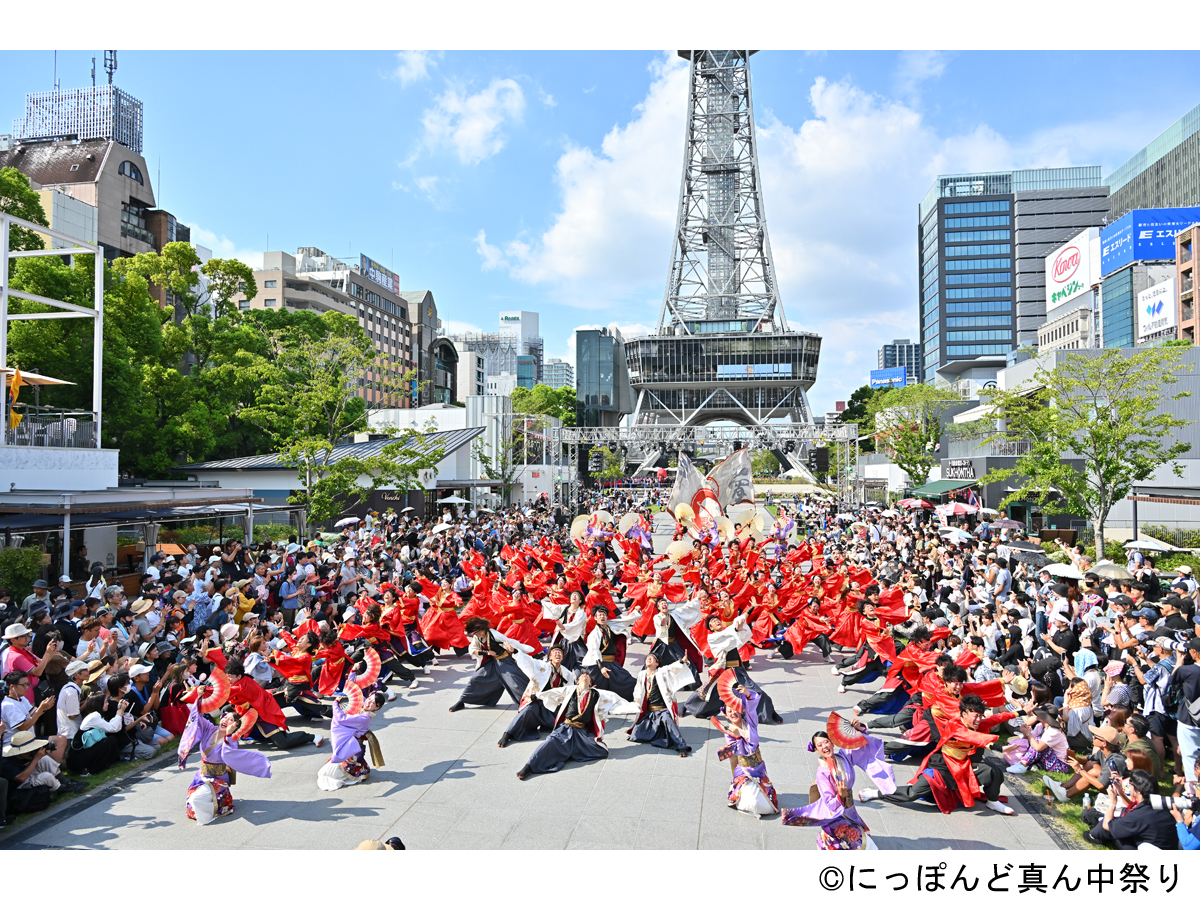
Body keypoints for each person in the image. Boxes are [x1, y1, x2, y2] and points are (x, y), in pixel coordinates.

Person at [866, 694, 1015, 815]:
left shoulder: (974, 722)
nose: (978, 720)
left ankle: (993, 801)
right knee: (913, 793)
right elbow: (974, 737)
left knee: (993, 771)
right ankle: (876, 793)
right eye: (975, 716)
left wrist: (1019, 712)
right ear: (964, 714)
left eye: (980, 716)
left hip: (962, 766)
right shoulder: (955, 726)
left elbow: (995, 718)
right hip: (941, 767)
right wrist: (999, 748)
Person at [780, 719, 895, 849]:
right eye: (819, 745)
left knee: (862, 838)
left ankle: (827, 838)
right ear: (817, 751)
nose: (824, 746)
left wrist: (858, 730)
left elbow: (860, 745)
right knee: (862, 845)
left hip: (850, 810)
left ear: (832, 743)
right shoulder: (822, 773)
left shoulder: (844, 756)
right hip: (835, 815)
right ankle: (828, 837)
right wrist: (840, 795)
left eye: (826, 741)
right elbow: (829, 803)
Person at [515, 671, 634, 779]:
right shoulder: (571, 690)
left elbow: (615, 698)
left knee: (602, 751)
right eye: (582, 675)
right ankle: (529, 766)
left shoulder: (597, 694)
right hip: (566, 728)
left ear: (592, 684)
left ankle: (569, 751)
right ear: (578, 681)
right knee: (549, 742)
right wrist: (536, 696)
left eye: (588, 676)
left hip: (581, 732)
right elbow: (554, 692)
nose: (585, 675)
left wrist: (633, 706)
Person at [177, 692, 273, 825]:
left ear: (235, 727)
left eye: (231, 720)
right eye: (225, 717)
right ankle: (212, 806)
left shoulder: (231, 742)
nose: (226, 721)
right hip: (202, 775)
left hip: (218, 779)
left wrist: (228, 735)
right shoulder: (209, 729)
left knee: (197, 800)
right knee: (192, 800)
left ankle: (210, 816)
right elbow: (196, 717)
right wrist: (199, 697)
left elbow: (227, 755)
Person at [712, 671, 778, 817]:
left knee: (766, 806)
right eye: (729, 711)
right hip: (745, 771)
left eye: (735, 709)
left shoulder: (750, 722)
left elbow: (752, 707)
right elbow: (740, 752)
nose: (733, 712)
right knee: (752, 802)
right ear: (725, 715)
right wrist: (737, 738)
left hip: (759, 769)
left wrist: (748, 694)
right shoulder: (729, 732)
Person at [449, 617, 533, 712]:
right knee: (475, 679)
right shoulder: (477, 636)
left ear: (483, 628)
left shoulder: (495, 635)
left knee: (516, 683)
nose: (477, 634)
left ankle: (529, 703)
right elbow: (472, 649)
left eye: (479, 632)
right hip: (492, 662)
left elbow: (513, 643)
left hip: (506, 662)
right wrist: (486, 653)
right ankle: (461, 701)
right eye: (475, 633)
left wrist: (518, 650)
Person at [317, 684, 388, 791]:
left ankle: (354, 773)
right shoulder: (364, 707)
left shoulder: (364, 717)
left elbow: (341, 719)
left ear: (377, 707)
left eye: (372, 702)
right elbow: (355, 687)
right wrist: (354, 671)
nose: (368, 702)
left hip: (350, 747)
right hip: (351, 744)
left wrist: (335, 704)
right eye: (369, 698)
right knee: (324, 772)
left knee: (326, 774)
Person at [1084, 769, 1179, 849]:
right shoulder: (1163, 804)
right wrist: (1121, 792)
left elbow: (1107, 826)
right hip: (1167, 848)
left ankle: (1091, 836)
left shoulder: (1139, 815)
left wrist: (1113, 801)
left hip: (1147, 852)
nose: (1129, 785)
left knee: (1107, 827)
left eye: (1130, 783)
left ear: (1138, 790)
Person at [500, 646, 574, 748]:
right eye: (555, 652)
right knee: (527, 712)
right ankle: (507, 734)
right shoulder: (541, 666)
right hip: (536, 701)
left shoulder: (567, 673)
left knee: (564, 723)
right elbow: (528, 661)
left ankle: (545, 726)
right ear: (550, 657)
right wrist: (516, 651)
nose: (558, 654)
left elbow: (569, 691)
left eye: (560, 653)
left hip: (552, 703)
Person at [626, 653, 693, 756]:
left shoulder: (661, 672)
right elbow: (637, 689)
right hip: (650, 712)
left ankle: (681, 746)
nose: (649, 658)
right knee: (636, 734)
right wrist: (637, 701)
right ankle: (659, 732)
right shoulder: (642, 674)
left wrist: (681, 661)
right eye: (648, 657)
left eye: (653, 658)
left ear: (657, 664)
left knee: (668, 721)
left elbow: (670, 668)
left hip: (662, 711)